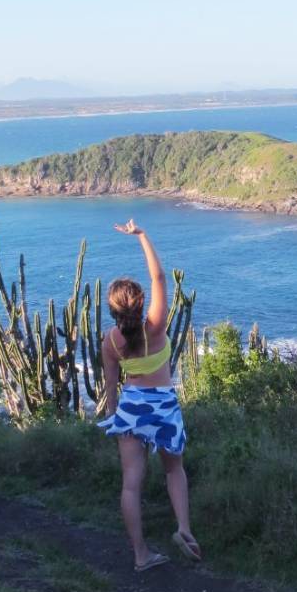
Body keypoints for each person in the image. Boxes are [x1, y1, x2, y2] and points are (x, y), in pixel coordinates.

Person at [98, 219, 201, 572]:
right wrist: (142, 237)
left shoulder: (110, 341)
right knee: (174, 471)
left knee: (131, 484)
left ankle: (141, 555)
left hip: (132, 408)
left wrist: (115, 418)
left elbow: (110, 386)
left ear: (113, 311)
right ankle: (184, 530)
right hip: (163, 405)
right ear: (140, 303)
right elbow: (159, 279)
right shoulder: (154, 326)